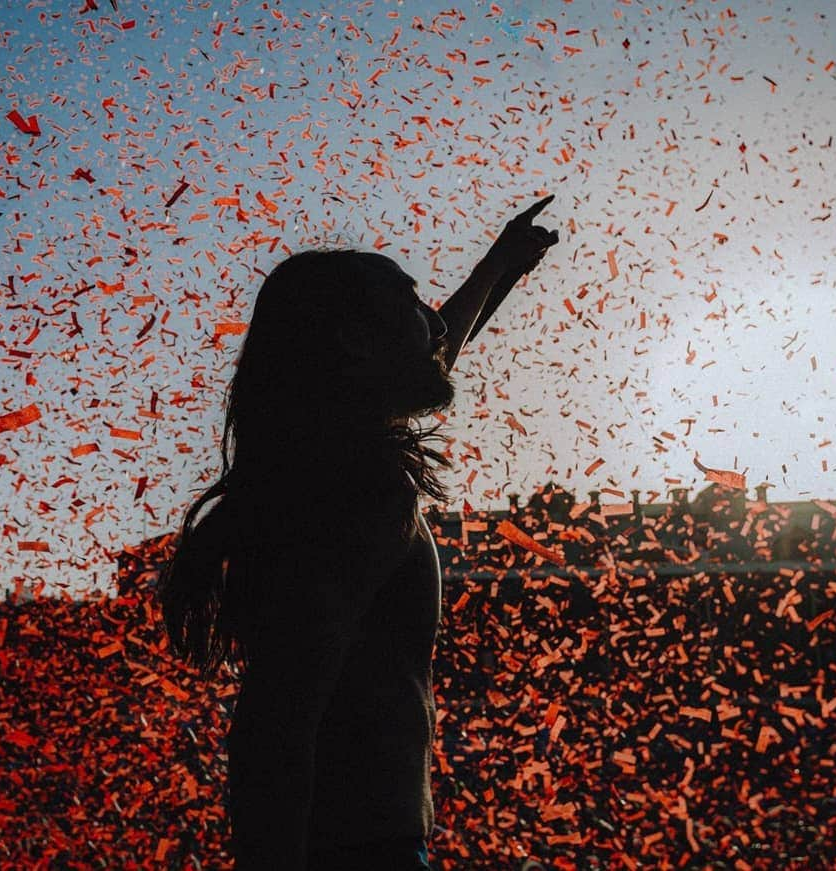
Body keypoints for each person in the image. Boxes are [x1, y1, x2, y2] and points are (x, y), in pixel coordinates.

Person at [157, 195, 559, 870]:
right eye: (408, 302)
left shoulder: (324, 470)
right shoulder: (362, 492)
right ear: (354, 343)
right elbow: (275, 722)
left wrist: (499, 267)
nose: (432, 319)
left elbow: (439, 346)